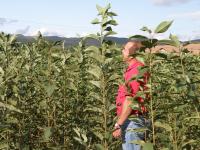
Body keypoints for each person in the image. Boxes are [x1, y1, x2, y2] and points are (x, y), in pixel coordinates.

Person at [112, 40, 149, 150]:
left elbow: (130, 101)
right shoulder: (132, 69)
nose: (122, 51)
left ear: (132, 54)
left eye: (124, 49)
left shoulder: (136, 71)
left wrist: (119, 124)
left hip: (133, 122)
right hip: (132, 120)